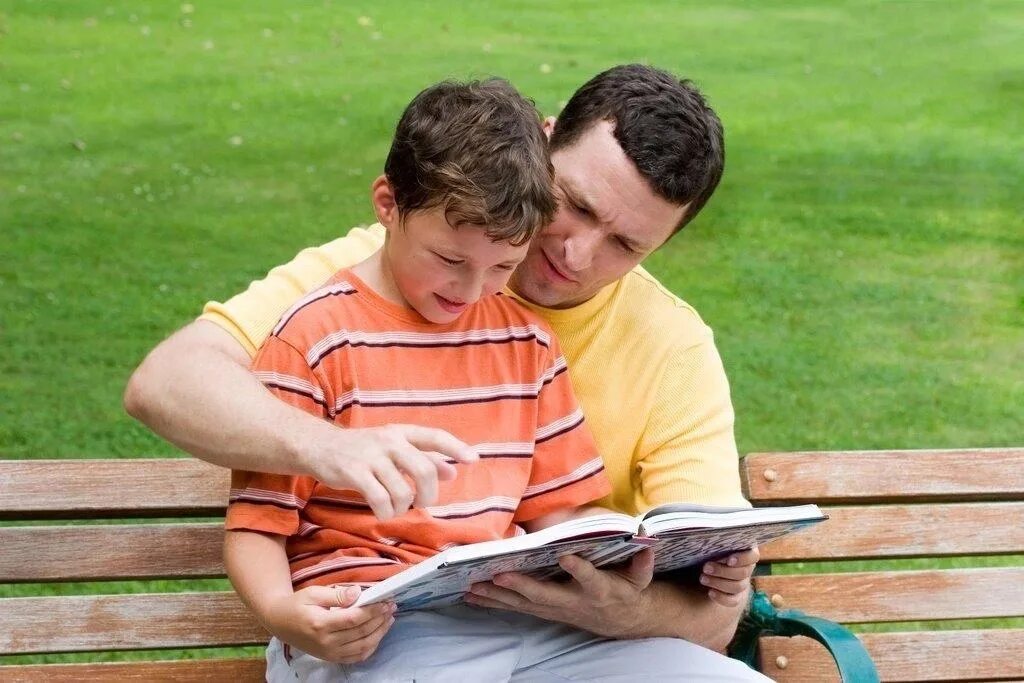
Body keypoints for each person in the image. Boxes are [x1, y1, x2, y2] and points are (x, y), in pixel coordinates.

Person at [125, 64, 765, 679]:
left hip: (550, 638)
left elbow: (713, 619)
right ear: (541, 143)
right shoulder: (384, 268)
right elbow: (165, 384)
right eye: (576, 206)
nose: (576, 254)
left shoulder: (656, 343)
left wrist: (629, 601)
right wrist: (331, 447)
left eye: (625, 245)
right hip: (386, 627)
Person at [227, 78, 631, 679]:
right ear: (388, 205)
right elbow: (256, 524)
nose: (471, 291)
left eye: (503, 266)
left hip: (511, 626)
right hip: (368, 632)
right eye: (450, 260)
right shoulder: (316, 337)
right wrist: (283, 614)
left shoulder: (527, 344)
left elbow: (558, 518)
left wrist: (632, 548)